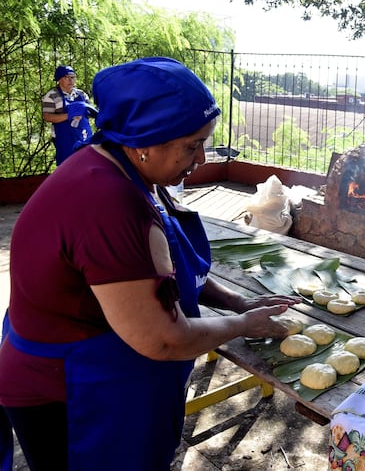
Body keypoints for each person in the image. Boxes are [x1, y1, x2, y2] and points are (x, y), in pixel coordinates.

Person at [0, 57, 300, 470]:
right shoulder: (107, 203)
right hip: (73, 393)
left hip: (102, 366)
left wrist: (236, 303)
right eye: (191, 146)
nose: (200, 160)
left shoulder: (122, 167)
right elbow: (163, 339)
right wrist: (243, 327)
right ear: (145, 141)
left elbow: (165, 272)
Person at [41, 65, 96, 165]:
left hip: (84, 136)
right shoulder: (52, 95)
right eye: (67, 77)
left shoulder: (81, 94)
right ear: (59, 79)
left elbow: (90, 111)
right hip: (64, 139)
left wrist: (85, 112)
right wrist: (69, 115)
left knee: (88, 164)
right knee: (68, 166)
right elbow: (47, 117)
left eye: (73, 77)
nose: (71, 80)